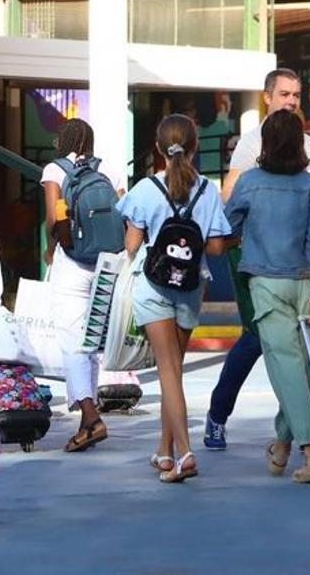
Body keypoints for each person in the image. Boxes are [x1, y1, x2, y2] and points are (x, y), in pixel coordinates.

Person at [203, 68, 310, 451]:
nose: (291, 100)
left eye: (296, 94)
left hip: (304, 265)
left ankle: (300, 431)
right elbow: (230, 199)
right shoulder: (251, 144)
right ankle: (218, 414)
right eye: (284, 94)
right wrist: (249, 235)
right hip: (262, 264)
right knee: (257, 338)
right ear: (267, 97)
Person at [118, 114, 229, 482]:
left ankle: (185, 453)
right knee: (174, 371)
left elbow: (132, 245)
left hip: (153, 286)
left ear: (158, 147)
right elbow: (216, 247)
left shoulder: (145, 188)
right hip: (191, 286)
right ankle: (164, 452)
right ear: (195, 146)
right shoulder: (208, 190)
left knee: (168, 372)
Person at [225, 110, 310, 483]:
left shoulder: (249, 182)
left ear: (266, 144)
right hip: (304, 283)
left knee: (286, 369)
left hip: (266, 283)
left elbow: (227, 227)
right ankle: (282, 445)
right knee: (300, 372)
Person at [41, 118, 126, 453]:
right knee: (91, 344)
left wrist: (53, 246)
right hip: (107, 265)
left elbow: (54, 218)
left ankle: (91, 416)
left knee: (73, 342)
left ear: (62, 141)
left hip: (73, 265)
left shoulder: (55, 170)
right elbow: (125, 213)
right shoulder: (109, 170)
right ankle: (85, 425)